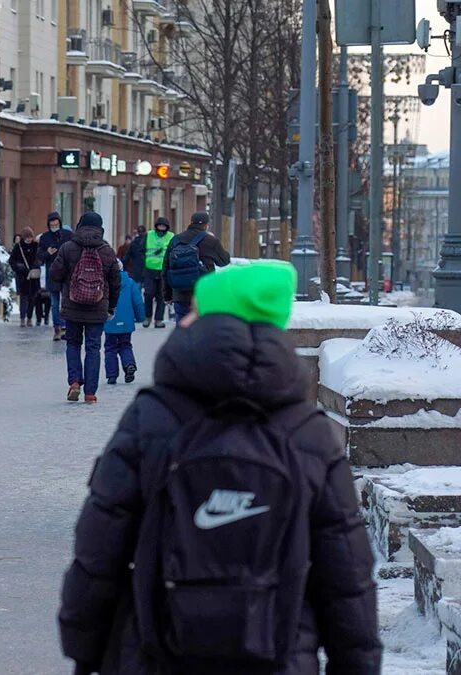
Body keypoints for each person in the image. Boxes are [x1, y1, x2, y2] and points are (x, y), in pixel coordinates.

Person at [58, 261, 381, 675]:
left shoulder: (152, 418)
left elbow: (98, 548)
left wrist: (84, 647)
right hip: (280, 656)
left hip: (156, 653)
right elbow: (347, 577)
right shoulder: (309, 434)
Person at [48, 212, 120, 403]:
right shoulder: (107, 251)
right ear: (101, 229)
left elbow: (54, 275)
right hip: (98, 307)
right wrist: (111, 306)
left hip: (73, 306)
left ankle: (74, 382)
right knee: (93, 348)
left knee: (72, 344)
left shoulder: (68, 248)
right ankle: (90, 392)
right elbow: (115, 282)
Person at [162, 211, 232, 324]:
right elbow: (224, 261)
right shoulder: (211, 240)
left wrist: (167, 295)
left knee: (183, 331)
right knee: (202, 331)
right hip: (204, 293)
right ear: (206, 225)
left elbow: (166, 268)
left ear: (191, 222)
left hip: (180, 293)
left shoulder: (175, 240)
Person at [104, 261, 145, 385]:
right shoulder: (130, 282)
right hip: (127, 322)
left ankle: (112, 375)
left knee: (110, 348)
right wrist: (140, 317)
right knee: (125, 345)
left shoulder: (105, 283)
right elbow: (138, 302)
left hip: (110, 320)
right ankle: (129, 365)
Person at [38, 212, 72, 341]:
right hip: (52, 274)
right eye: (52, 225)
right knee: (54, 303)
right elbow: (39, 257)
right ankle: (57, 327)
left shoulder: (68, 235)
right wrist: (47, 253)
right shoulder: (45, 238)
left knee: (65, 302)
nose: (54, 226)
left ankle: (64, 327)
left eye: (56, 224)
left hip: (66, 273)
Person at [141, 217, 174, 328]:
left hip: (164, 271)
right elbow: (140, 250)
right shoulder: (148, 235)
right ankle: (148, 317)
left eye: (163, 226)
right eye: (159, 226)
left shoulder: (171, 236)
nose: (161, 228)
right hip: (149, 270)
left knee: (162, 296)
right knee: (148, 294)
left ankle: (158, 320)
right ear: (156, 226)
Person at [9, 227, 42, 327]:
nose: (29, 239)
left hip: (33, 276)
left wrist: (37, 265)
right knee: (23, 299)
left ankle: (29, 318)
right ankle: (22, 318)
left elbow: (40, 258)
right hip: (22, 277)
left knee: (32, 298)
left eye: (30, 237)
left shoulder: (36, 246)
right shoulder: (18, 247)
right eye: (27, 237)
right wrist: (18, 267)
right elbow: (11, 261)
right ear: (23, 237)